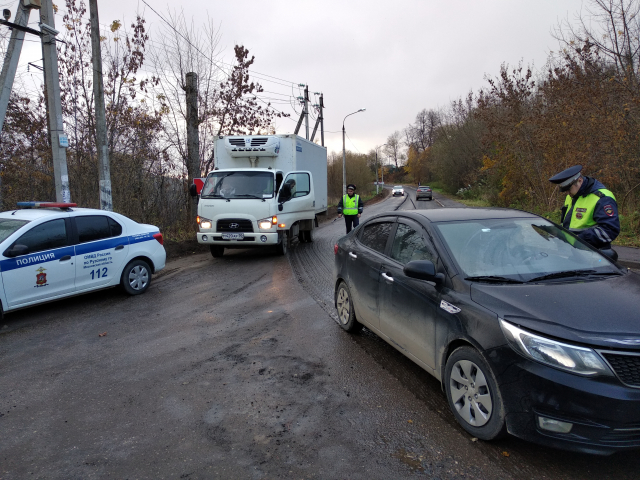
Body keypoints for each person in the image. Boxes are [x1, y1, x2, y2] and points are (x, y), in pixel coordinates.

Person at [549, 165, 620, 253]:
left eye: (568, 189)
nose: (567, 193)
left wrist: (580, 239)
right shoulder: (572, 195)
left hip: (594, 253)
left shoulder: (602, 197)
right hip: (574, 251)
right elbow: (569, 224)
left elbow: (610, 230)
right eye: (565, 190)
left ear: (579, 180)